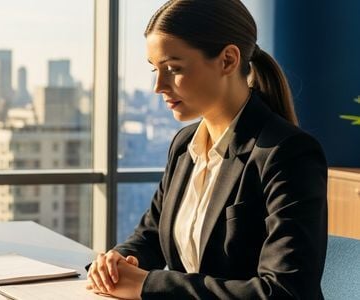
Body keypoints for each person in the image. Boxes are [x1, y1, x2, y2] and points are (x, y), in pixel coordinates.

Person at [86, 0, 328, 299]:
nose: (158, 86)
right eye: (154, 70)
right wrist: (118, 262)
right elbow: (150, 237)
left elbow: (285, 291)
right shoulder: (185, 146)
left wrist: (147, 285)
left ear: (227, 60)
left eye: (173, 68)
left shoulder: (288, 153)